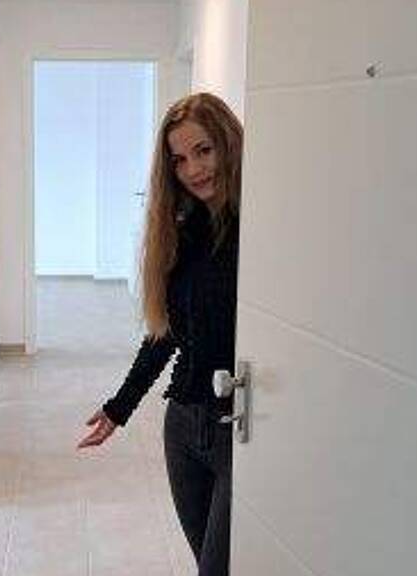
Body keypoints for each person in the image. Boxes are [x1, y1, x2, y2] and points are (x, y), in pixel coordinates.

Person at [77, 92, 242, 576]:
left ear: (228, 144)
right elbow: (165, 332)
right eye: (179, 159)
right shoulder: (183, 231)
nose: (194, 170)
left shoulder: (260, 231)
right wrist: (119, 407)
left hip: (240, 429)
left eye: (203, 150)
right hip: (184, 428)